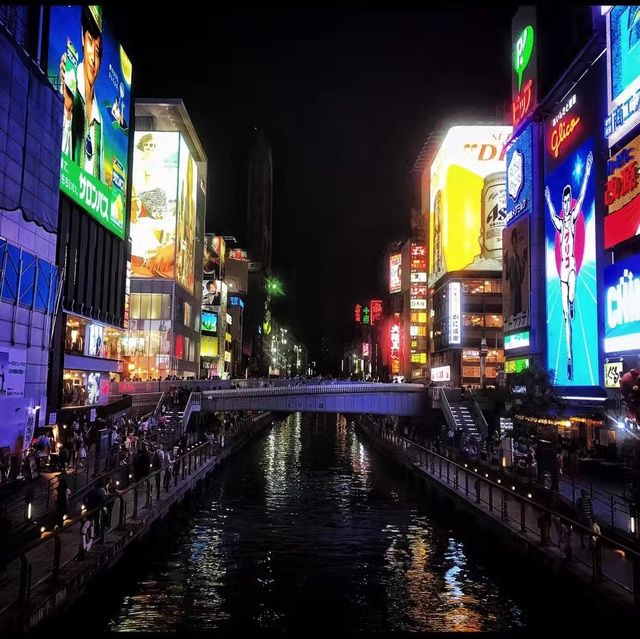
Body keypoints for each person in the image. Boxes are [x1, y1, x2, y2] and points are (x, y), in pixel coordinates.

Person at [544, 150, 593, 380]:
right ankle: (570, 358)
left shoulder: (572, 218)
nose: (565, 203)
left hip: (571, 266)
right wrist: (546, 199)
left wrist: (588, 170)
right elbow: (552, 212)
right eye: (563, 201)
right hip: (562, 271)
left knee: (571, 297)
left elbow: (582, 196)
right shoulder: (559, 220)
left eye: (566, 200)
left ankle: (572, 303)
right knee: (565, 318)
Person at [59, 6, 105, 181]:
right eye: (90, 42)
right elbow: (56, 162)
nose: (93, 57)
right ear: (82, 38)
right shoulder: (67, 85)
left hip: (86, 205)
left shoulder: (100, 122)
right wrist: (68, 110)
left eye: (98, 52)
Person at [505, 225, 528, 319]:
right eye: (513, 243)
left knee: (518, 312)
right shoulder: (510, 259)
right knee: (513, 313)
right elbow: (506, 276)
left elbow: (522, 276)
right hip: (513, 291)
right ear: (511, 243)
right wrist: (505, 261)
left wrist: (524, 258)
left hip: (518, 292)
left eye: (516, 243)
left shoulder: (518, 258)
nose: (515, 245)